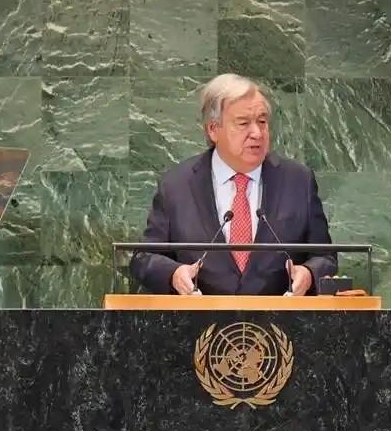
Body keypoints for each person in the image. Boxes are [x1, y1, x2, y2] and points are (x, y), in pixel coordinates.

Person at [130, 73, 337, 296]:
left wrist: (308, 274)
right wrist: (174, 274)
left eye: (262, 122)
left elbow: (325, 257)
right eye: (243, 123)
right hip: (199, 316)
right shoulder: (176, 185)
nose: (257, 133)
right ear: (213, 129)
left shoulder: (298, 181)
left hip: (279, 316)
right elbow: (145, 258)